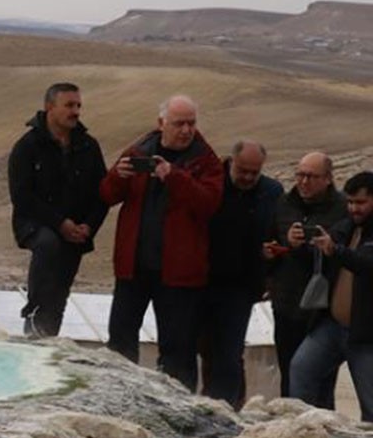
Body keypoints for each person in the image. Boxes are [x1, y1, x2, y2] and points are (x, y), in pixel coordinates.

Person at [100, 94, 223, 390]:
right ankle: (118, 395)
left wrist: (174, 176)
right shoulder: (139, 150)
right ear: (161, 123)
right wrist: (118, 176)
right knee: (120, 341)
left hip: (179, 274)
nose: (186, 130)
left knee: (178, 349)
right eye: (179, 123)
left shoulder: (205, 160)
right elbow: (107, 195)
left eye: (191, 123)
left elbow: (209, 204)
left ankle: (178, 405)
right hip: (134, 267)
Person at [6, 83, 108, 338]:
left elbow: (102, 193)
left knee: (60, 291)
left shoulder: (88, 146)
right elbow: (21, 196)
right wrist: (60, 223)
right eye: (69, 105)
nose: (76, 112)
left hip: (76, 230)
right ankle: (33, 318)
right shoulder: (27, 147)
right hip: (36, 224)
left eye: (78, 105)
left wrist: (89, 226)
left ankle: (47, 339)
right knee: (49, 245)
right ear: (49, 107)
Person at [198, 140, 282, 408]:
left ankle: (226, 408)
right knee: (202, 347)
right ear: (230, 162)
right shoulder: (210, 184)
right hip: (201, 280)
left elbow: (276, 232)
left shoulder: (271, 192)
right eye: (242, 171)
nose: (247, 177)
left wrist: (270, 256)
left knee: (229, 352)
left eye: (254, 173)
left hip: (242, 286)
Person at [289, 171, 373, 421]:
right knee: (301, 371)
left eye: (361, 202)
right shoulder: (348, 226)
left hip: (366, 334)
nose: (354, 208)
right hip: (332, 326)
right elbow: (323, 248)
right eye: (350, 202)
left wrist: (336, 251)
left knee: (370, 403)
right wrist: (300, 244)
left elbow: (366, 264)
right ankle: (306, 431)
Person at [266, 152, 347, 402]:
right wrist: (276, 249)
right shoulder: (284, 203)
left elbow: (339, 254)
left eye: (311, 176)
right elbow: (272, 240)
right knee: (289, 374)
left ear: (328, 178)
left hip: (322, 309)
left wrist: (304, 247)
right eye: (300, 175)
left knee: (320, 379)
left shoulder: (343, 209)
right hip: (286, 303)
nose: (304, 182)